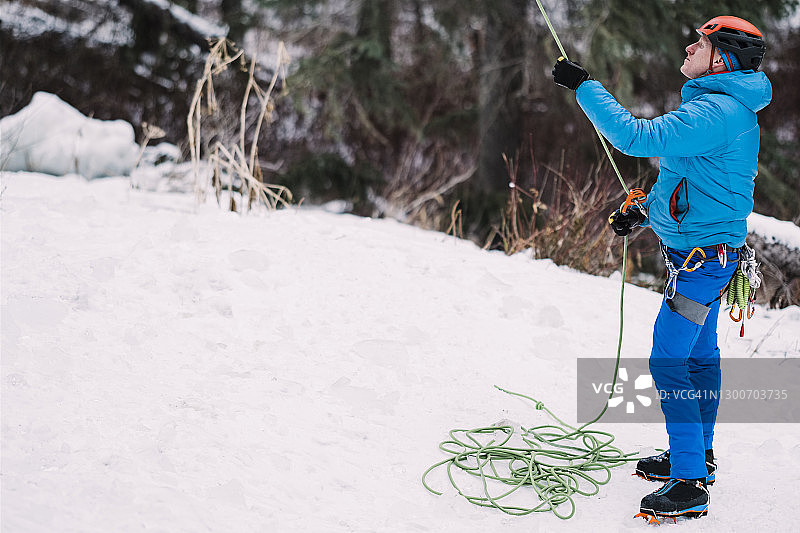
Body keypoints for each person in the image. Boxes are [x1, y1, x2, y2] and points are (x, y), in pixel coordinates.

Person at [551, 15, 771, 523]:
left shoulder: (717, 111)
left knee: (669, 363)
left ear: (721, 59)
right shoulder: (715, 107)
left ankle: (691, 483)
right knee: (698, 361)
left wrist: (585, 87)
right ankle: (697, 458)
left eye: (700, 42)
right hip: (705, 260)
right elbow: (689, 179)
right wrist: (644, 209)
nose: (689, 47)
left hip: (702, 268)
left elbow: (632, 137)